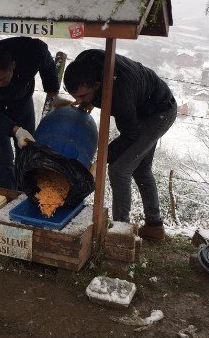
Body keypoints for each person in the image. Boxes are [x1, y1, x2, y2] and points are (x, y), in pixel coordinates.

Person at [63, 49, 176, 240]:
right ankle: (154, 226)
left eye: (83, 96)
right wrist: (87, 102)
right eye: (75, 96)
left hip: (159, 112)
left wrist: (102, 156)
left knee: (119, 169)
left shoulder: (118, 92)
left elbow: (130, 134)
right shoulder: (85, 63)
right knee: (141, 169)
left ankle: (120, 232)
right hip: (141, 105)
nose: (78, 102)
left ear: (97, 86)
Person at [0, 37, 60, 190]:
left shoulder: (33, 53)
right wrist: (15, 130)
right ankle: (7, 196)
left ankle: (26, 193)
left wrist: (52, 91)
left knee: (26, 150)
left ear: (13, 66)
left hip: (21, 101)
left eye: (2, 79)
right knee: (2, 154)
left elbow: (48, 64)